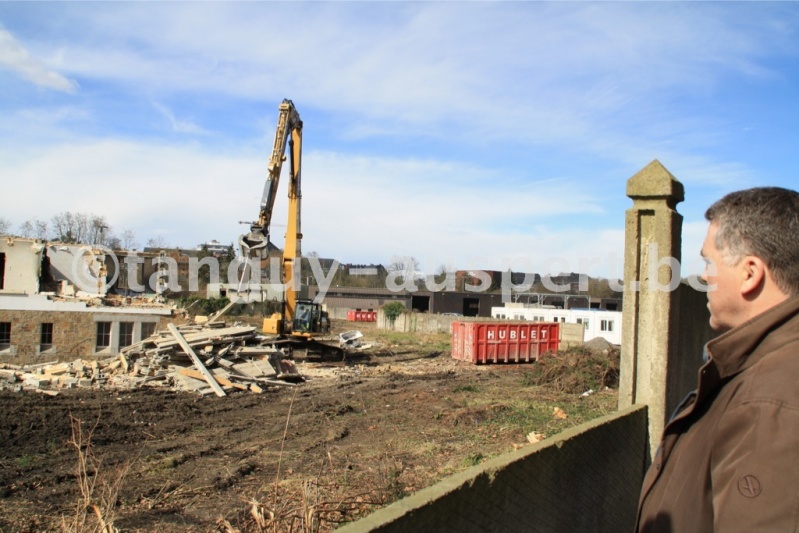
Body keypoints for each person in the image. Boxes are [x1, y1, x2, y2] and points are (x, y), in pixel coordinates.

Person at [636, 187, 799, 532]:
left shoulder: (768, 402)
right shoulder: (767, 365)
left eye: (709, 262)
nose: (704, 276)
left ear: (750, 273)